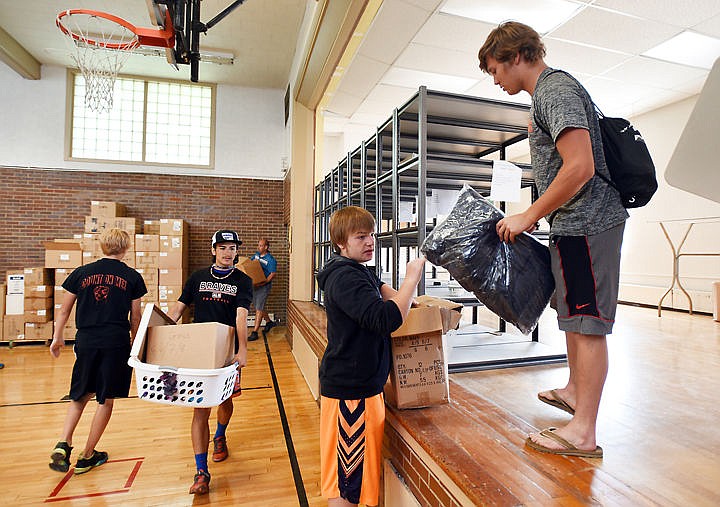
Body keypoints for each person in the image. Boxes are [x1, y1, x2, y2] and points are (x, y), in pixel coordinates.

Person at [478, 21, 627, 459]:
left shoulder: (554, 90)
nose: (496, 80)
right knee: (572, 315)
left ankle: (583, 433)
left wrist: (528, 215)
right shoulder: (545, 97)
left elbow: (579, 166)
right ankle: (576, 393)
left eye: (495, 70)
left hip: (589, 220)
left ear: (515, 55)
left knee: (587, 323)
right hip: (572, 224)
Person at [316, 206, 426, 506]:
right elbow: (386, 318)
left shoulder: (358, 271)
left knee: (356, 479)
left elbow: (383, 291)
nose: (370, 241)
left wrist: (408, 298)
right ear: (341, 242)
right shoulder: (344, 278)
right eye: (361, 236)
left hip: (363, 388)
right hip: (351, 392)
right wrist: (412, 280)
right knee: (346, 485)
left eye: (372, 234)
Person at [49, 228, 147, 474]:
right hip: (115, 342)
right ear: (126, 248)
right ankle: (87, 456)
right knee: (105, 399)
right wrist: (138, 345)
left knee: (80, 394)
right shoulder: (132, 277)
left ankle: (64, 441)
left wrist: (57, 337)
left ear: (102, 246)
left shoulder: (81, 273)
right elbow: (136, 318)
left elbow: (63, 310)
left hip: (86, 340)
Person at [167, 229, 253, 495]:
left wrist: (242, 350)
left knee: (225, 402)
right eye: (224, 248)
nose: (229, 253)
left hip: (226, 352)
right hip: (199, 352)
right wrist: (160, 337)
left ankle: (220, 435)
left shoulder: (243, 280)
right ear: (214, 250)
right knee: (200, 408)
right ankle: (201, 472)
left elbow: (241, 316)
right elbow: (178, 309)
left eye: (233, 248)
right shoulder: (198, 278)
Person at [248, 237, 277, 341]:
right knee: (258, 306)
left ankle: (255, 332)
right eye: (258, 245)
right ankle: (269, 322)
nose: (259, 247)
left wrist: (263, 283)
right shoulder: (256, 255)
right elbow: (250, 265)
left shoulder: (271, 260)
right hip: (255, 285)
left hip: (263, 286)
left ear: (266, 247)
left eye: (261, 245)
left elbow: (272, 274)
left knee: (258, 308)